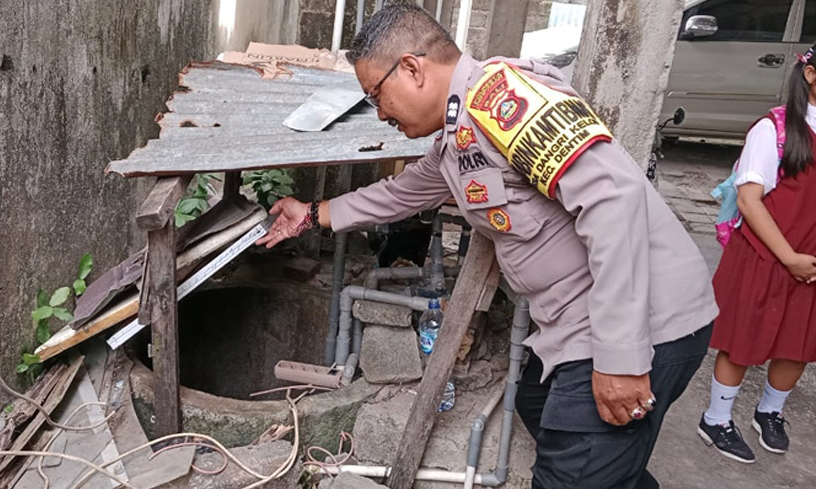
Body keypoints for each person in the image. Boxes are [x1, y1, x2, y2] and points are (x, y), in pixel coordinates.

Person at [256, 5, 717, 488]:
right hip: (572, 323)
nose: (380, 113)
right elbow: (404, 192)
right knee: (546, 412)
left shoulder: (503, 99)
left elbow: (613, 202)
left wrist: (621, 359)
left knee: (572, 471)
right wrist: (311, 215)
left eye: (376, 95)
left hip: (644, 324)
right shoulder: (459, 132)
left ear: (412, 69)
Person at [697, 42, 816, 464]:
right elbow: (750, 200)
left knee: (797, 345)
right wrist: (789, 258)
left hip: (811, 263)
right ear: (810, 75)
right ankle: (717, 417)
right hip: (766, 256)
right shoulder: (775, 129)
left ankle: (770, 412)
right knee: (743, 342)